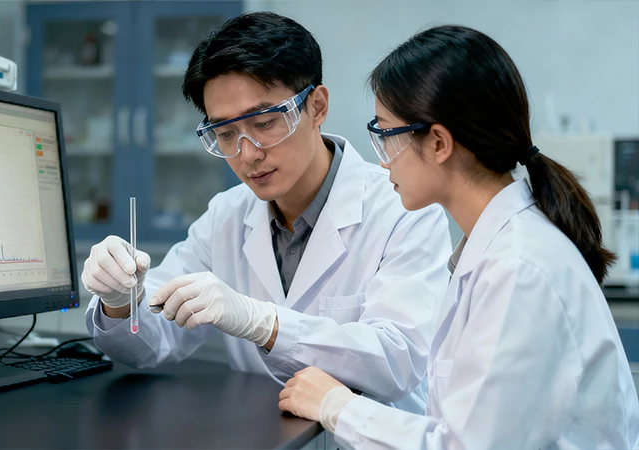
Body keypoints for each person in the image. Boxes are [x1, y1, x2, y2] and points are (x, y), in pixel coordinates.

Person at [278, 25, 639, 449]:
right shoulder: (495, 250)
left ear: (438, 143)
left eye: (386, 136)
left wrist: (337, 407)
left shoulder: (519, 269)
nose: (382, 164)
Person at [82, 12, 451, 411]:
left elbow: (399, 362)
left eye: (265, 122)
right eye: (225, 134)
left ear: (317, 106)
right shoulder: (225, 216)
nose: (248, 154)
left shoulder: (402, 208)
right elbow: (150, 344)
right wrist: (121, 300)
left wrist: (265, 323)